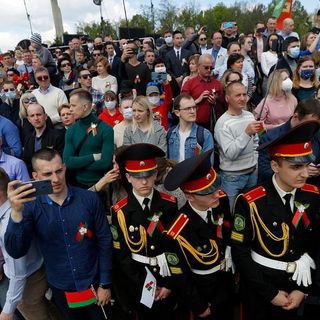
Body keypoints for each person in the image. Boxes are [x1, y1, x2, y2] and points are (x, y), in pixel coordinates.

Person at [4, 148, 112, 320]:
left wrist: (105, 283)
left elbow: (105, 241)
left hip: (95, 283)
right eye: (47, 174)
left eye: (59, 171)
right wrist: (16, 213)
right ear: (35, 176)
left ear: (65, 168)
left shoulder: (89, 199)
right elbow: (16, 250)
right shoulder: (30, 207)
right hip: (62, 287)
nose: (55, 179)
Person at [231, 121, 320, 320]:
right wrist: (270, 293)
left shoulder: (312, 195)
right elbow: (240, 252)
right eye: (296, 167)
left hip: (298, 283)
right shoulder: (250, 201)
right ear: (274, 166)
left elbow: (314, 246)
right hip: (261, 289)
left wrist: (303, 289)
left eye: (307, 165)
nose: (305, 173)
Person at [164, 150, 234, 320]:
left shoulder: (220, 201)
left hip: (226, 287)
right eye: (208, 192)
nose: (217, 193)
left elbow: (226, 231)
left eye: (216, 187)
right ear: (189, 196)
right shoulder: (177, 231)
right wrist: (199, 306)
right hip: (203, 296)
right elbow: (181, 275)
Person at [111, 143, 178, 319]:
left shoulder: (169, 204)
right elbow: (122, 255)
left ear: (156, 175)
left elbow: (176, 247)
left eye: (148, 175)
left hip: (167, 275)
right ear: (128, 177)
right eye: (137, 176)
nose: (143, 181)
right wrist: (145, 284)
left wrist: (169, 283)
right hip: (138, 279)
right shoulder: (121, 211)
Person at [214, 82, 260, 208]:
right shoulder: (222, 124)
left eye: (244, 94)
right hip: (232, 179)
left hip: (251, 175)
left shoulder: (250, 116)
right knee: (231, 214)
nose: (242, 98)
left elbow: (256, 143)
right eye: (238, 95)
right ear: (227, 98)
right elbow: (230, 154)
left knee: (251, 212)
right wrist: (246, 133)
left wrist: (255, 163)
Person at [258, 98, 320, 182]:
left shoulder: (316, 133)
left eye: (316, 125)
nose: (312, 128)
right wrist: (298, 171)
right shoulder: (271, 138)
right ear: (295, 116)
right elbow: (265, 172)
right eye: (309, 124)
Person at [63, 88, 114, 188]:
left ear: (85, 107)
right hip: (77, 186)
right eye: (70, 105)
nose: (70, 109)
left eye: (73, 105)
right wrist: (93, 157)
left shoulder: (106, 129)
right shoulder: (71, 130)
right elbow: (68, 162)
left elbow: (105, 163)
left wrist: (78, 164)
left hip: (102, 185)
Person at [167, 93, 214, 164]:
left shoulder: (205, 135)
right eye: (188, 108)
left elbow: (208, 165)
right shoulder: (170, 133)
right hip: (175, 174)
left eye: (194, 107)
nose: (193, 111)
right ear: (177, 113)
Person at [181, 54, 223, 130]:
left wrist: (215, 102)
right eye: (206, 67)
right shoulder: (189, 83)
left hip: (213, 124)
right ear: (199, 67)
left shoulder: (217, 84)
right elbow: (182, 103)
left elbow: (224, 104)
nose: (209, 70)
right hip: (193, 125)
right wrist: (197, 100)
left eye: (211, 68)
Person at [23, 103, 65, 174]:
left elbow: (61, 161)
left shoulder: (58, 136)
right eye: (32, 116)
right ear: (29, 119)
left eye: (39, 114)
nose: (36, 118)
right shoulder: (28, 138)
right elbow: (27, 161)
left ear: (45, 116)